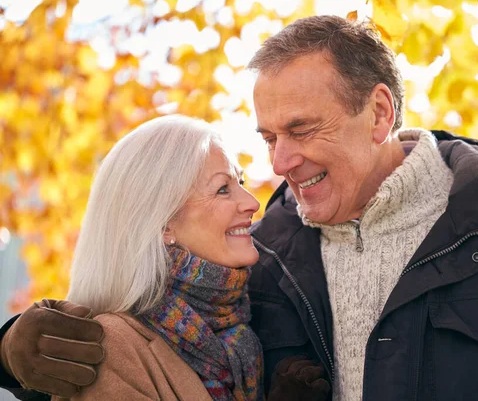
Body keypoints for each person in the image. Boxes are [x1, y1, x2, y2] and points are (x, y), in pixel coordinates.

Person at [2, 15, 478, 400]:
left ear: (380, 114)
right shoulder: (261, 254)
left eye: (302, 130)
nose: (280, 163)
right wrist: (10, 351)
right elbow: (134, 326)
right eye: (268, 138)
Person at [0, 114, 329, 401]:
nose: (251, 202)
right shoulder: (112, 349)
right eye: (222, 189)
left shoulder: (241, 324)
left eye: (240, 182)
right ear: (163, 223)